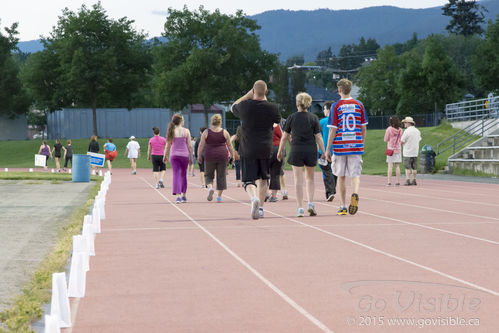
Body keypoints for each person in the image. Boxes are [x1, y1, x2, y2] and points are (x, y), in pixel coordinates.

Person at [231, 80, 281, 219]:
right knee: (264, 179)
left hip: (248, 148)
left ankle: (253, 198)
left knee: (248, 180)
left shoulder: (245, 106)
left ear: (253, 91)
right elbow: (277, 119)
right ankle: (260, 209)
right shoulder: (273, 108)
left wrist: (247, 95)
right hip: (265, 148)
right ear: (265, 92)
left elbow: (232, 107)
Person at [278, 92, 326, 217]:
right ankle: (310, 203)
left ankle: (300, 208)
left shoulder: (292, 117)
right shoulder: (313, 117)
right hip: (310, 149)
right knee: (310, 178)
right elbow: (319, 137)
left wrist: (280, 151)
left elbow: (285, 137)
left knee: (298, 180)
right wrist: (324, 152)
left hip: (296, 150)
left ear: (297, 103)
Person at [325, 78, 368, 216]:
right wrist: (362, 141)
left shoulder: (336, 106)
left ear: (339, 90)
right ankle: (355, 193)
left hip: (340, 146)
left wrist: (327, 149)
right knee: (355, 175)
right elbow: (363, 127)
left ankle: (343, 205)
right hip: (356, 144)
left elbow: (332, 129)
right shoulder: (359, 105)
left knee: (341, 176)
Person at [197, 114, 235, 203]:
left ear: (212, 121)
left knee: (208, 175)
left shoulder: (206, 132)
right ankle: (219, 197)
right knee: (221, 176)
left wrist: (199, 156)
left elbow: (201, 145)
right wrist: (232, 155)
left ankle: (210, 188)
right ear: (220, 122)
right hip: (222, 155)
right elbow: (230, 145)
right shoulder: (225, 132)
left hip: (209, 155)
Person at [165, 114, 193, 203]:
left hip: (174, 156)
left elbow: (167, 145)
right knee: (183, 175)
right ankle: (184, 195)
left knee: (176, 174)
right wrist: (191, 156)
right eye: (183, 120)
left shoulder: (171, 131)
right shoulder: (186, 131)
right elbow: (190, 145)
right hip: (184, 155)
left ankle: (178, 196)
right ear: (180, 121)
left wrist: (164, 155)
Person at [319, 101, 337, 201]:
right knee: (335, 171)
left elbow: (318, 136)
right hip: (337, 150)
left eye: (324, 109)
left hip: (325, 150)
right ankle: (332, 190)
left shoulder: (322, 122)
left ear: (329, 110)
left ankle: (330, 192)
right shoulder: (338, 121)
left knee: (326, 171)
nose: (323, 111)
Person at [401, 116, 421, 186]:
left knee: (407, 167)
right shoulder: (417, 131)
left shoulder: (407, 131)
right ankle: (414, 180)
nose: (404, 124)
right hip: (415, 151)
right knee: (414, 167)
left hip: (407, 152)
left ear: (408, 123)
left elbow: (402, 141)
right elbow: (419, 139)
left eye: (405, 123)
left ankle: (407, 180)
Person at [384, 116, 403, 186]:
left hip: (390, 150)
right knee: (397, 166)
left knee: (390, 166)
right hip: (398, 149)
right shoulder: (400, 130)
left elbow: (386, 139)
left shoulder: (389, 129)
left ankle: (389, 182)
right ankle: (398, 182)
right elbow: (401, 138)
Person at [267, 123, 283, 202]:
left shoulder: (261, 124)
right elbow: (282, 137)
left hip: (266, 149)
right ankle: (273, 196)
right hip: (277, 149)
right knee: (276, 173)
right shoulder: (277, 126)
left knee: (263, 173)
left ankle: (264, 194)